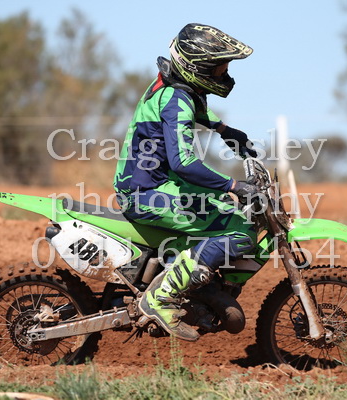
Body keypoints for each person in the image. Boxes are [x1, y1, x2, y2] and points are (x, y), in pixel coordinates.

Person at [113, 23, 258, 341]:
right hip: (146, 193)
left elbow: (192, 108)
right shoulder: (176, 97)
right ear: (197, 68)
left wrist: (223, 129)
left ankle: (194, 283)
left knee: (227, 210)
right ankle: (160, 298)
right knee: (240, 230)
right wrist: (234, 186)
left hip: (152, 184)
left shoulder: (171, 85)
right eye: (219, 67)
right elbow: (184, 163)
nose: (225, 73)